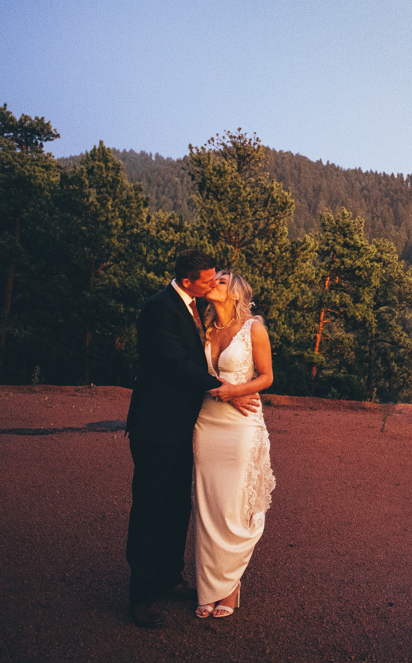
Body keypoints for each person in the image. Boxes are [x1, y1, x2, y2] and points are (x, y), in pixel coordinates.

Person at [124, 249, 258, 628]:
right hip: (156, 426)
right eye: (208, 280)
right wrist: (225, 387)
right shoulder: (160, 308)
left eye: (217, 279)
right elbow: (174, 362)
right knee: (150, 507)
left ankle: (168, 577)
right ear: (187, 282)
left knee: (177, 506)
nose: (214, 283)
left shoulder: (197, 308)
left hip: (187, 427)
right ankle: (141, 596)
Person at [192, 270, 276, 618]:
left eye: (222, 281)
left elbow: (267, 377)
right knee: (207, 505)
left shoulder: (253, 328)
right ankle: (208, 588)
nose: (214, 284)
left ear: (237, 293)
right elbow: (192, 373)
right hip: (206, 423)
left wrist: (234, 392)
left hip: (242, 426)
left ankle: (231, 583)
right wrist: (220, 392)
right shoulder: (204, 329)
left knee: (233, 504)